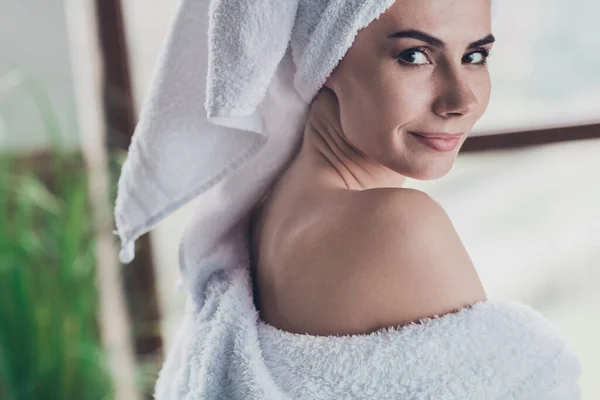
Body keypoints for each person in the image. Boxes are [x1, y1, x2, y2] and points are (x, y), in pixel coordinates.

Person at [249, 0, 493, 337]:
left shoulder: (274, 206)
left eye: (474, 56)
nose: (462, 102)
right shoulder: (398, 224)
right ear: (327, 56)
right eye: (414, 56)